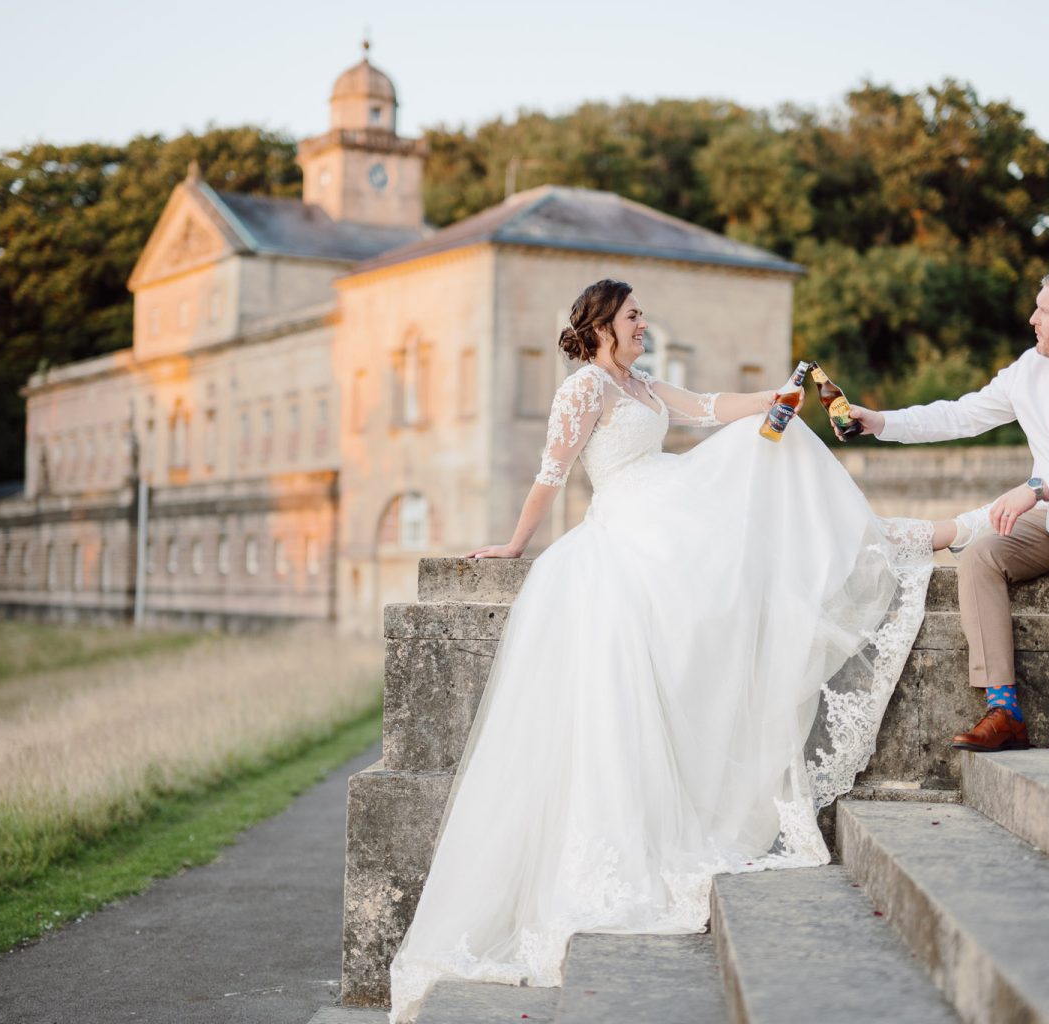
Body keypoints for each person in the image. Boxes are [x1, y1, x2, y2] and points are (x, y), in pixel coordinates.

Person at [386, 279, 937, 1022]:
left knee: (772, 441)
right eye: (634, 316)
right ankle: (891, 537)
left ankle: (879, 535)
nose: (645, 324)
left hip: (669, 502)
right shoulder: (583, 389)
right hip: (630, 519)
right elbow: (554, 471)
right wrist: (516, 543)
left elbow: (711, 408)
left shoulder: (641, 384)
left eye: (642, 315)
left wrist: (778, 396)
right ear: (603, 324)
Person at [849, 267, 1049, 753]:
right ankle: (1004, 710)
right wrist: (881, 422)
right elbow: (961, 413)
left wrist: (1039, 487)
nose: (1032, 318)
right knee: (980, 554)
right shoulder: (1030, 368)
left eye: (1045, 309)